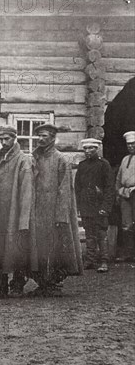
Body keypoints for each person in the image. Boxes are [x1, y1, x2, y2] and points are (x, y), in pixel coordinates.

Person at [30, 123, 83, 296]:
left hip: (53, 214)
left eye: (44, 136)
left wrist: (61, 216)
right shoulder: (35, 157)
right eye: (39, 136)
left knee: (55, 249)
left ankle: (52, 283)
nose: (40, 139)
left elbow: (64, 189)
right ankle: (43, 283)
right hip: (37, 213)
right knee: (38, 248)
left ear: (53, 138)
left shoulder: (61, 160)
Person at [0, 126, 35, 297]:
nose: (3, 142)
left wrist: (23, 219)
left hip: (15, 213)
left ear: (14, 138)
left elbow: (26, 192)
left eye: (7, 139)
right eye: (1, 139)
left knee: (18, 249)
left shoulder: (23, 161)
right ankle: (0, 284)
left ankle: (17, 283)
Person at [75, 138, 114, 273]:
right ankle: (90, 260)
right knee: (89, 232)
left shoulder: (104, 165)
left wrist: (105, 207)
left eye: (91, 148)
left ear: (97, 149)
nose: (87, 151)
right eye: (85, 149)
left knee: (101, 232)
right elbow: (77, 187)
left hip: (99, 203)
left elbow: (109, 187)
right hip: (86, 203)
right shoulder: (82, 165)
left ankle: (104, 261)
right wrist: (78, 204)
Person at [115, 131, 135, 261]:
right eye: (129, 145)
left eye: (133, 144)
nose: (131, 147)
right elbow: (118, 178)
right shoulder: (125, 159)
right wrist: (117, 192)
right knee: (126, 225)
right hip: (125, 194)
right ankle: (128, 253)